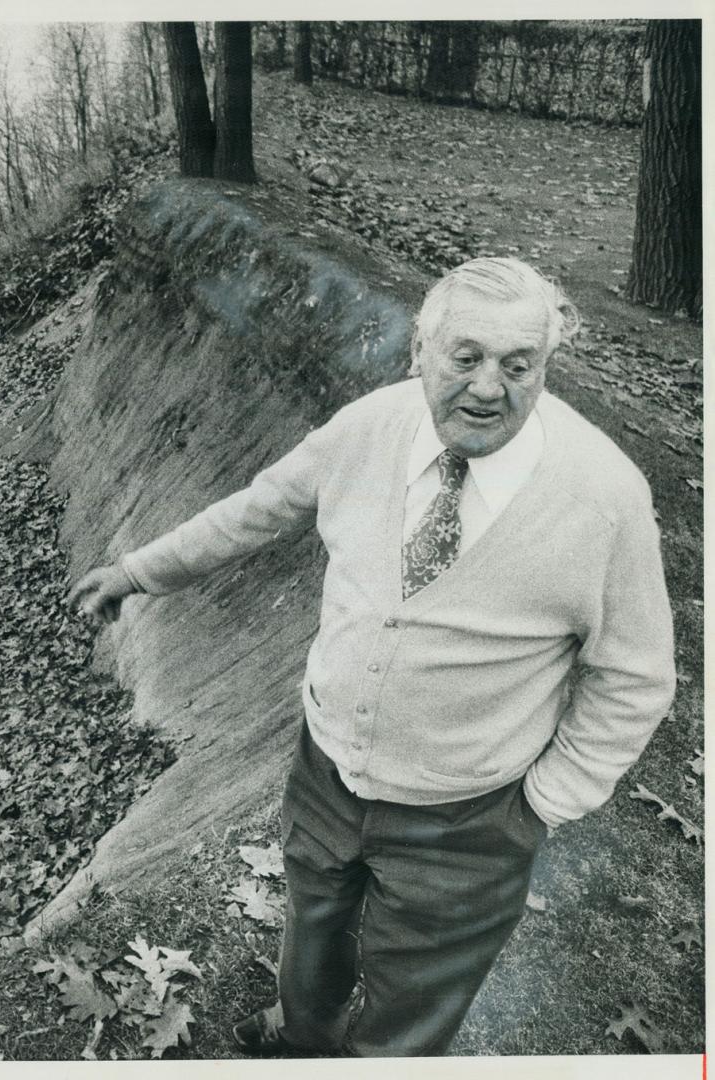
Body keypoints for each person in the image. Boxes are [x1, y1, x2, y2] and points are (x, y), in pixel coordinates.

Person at [65, 257, 677, 1057]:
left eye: (516, 365)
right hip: (326, 773)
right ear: (416, 351)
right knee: (311, 932)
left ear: (544, 368)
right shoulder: (369, 428)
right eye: (464, 357)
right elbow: (254, 512)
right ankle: (306, 1033)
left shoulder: (605, 498)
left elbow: (634, 677)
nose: (488, 388)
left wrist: (544, 804)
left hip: (468, 819)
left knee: (408, 1012)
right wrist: (140, 571)